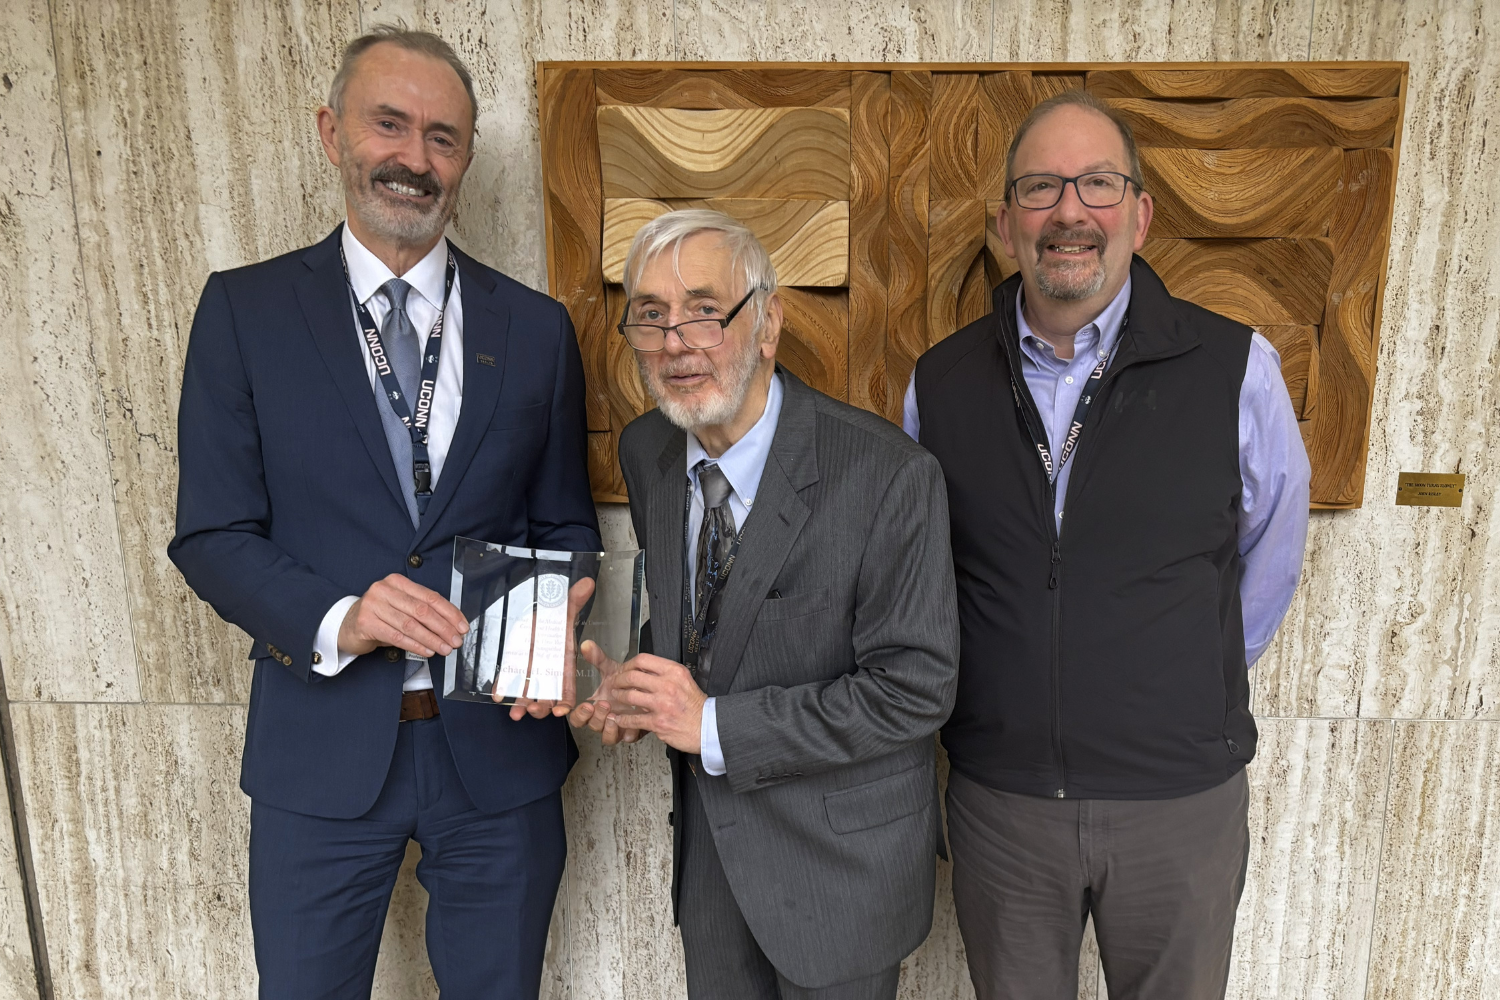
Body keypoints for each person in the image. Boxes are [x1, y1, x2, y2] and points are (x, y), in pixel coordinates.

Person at [168, 26, 598, 999]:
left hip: (499, 758)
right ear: (333, 133)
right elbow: (212, 534)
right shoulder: (244, 313)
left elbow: (566, 526)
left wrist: (562, 613)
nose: (415, 158)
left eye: (443, 137)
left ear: (467, 158)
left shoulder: (536, 329)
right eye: (389, 125)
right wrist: (344, 618)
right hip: (318, 752)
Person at [904, 90, 1310, 1000]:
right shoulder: (941, 382)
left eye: (1097, 184)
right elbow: (925, 573)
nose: (1069, 212)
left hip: (1179, 802)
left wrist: (1178, 682)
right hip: (1003, 802)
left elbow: (1271, 555)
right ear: (1005, 222)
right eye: (1040, 187)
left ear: (1140, 214)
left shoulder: (1235, 369)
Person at [570, 210, 959, 1000]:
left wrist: (711, 726)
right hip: (713, 868)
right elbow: (704, 617)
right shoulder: (647, 450)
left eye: (704, 311)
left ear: (769, 322)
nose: (676, 342)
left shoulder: (889, 476)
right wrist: (641, 683)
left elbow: (914, 691)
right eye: (651, 316)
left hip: (841, 874)